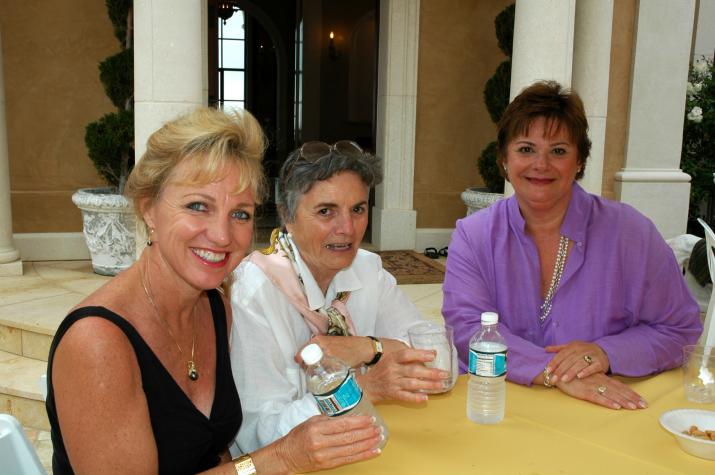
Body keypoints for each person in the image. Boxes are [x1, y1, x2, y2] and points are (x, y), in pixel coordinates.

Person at [45, 108, 382, 475]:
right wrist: (280, 458)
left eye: (240, 214)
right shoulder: (97, 342)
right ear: (149, 211)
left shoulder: (215, 308)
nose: (222, 236)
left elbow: (209, 451)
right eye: (197, 206)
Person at [442, 81, 703, 410]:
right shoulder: (474, 235)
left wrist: (606, 352)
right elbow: (466, 329)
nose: (541, 164)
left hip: (605, 409)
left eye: (559, 151)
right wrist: (557, 373)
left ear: (580, 161)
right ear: (504, 160)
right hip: (499, 407)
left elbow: (680, 329)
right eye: (526, 149)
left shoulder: (631, 232)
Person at [229, 140, 452, 454]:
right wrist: (361, 390)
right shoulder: (253, 295)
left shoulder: (366, 270)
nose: (347, 229)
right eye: (326, 212)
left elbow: (437, 361)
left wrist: (365, 348)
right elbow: (258, 435)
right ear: (287, 216)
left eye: (358, 210)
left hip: (364, 449)